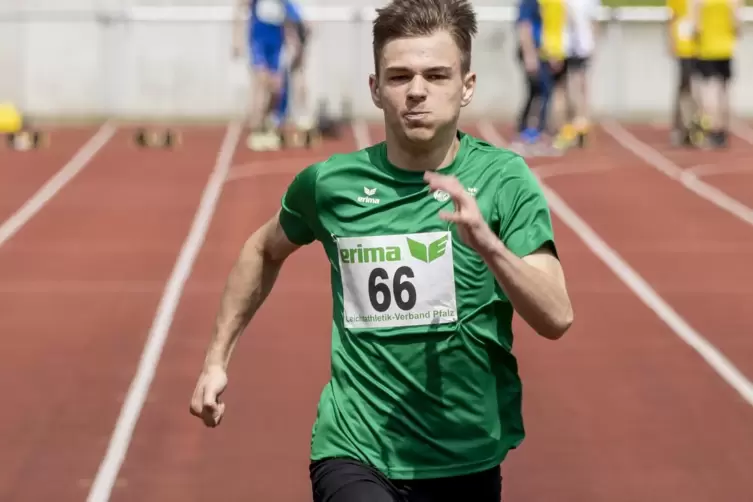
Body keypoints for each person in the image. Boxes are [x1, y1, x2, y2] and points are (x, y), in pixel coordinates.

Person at [190, 0, 574, 500]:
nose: (417, 91)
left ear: (467, 87)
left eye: (437, 75)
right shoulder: (331, 185)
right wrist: (217, 359)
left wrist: (489, 246)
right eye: (399, 77)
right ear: (376, 89)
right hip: (355, 448)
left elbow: (556, 316)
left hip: (466, 456)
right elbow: (263, 250)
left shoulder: (504, 181)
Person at [233, 0, 305, 150]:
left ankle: (268, 122)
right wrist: (237, 38)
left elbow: (290, 18)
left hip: (276, 41)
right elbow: (240, 7)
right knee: (261, 82)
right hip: (259, 40)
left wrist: (294, 42)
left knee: (277, 87)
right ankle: (257, 127)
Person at [691, 0, 740, 148]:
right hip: (726, 49)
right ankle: (723, 130)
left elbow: (695, 28)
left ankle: (712, 129)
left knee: (709, 92)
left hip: (707, 50)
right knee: (724, 92)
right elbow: (736, 25)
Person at [666, 0, 700, 146]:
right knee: (684, 85)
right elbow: (671, 18)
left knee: (697, 88)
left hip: (700, 46)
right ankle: (681, 126)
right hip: (684, 46)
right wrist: (671, 42)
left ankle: (694, 124)